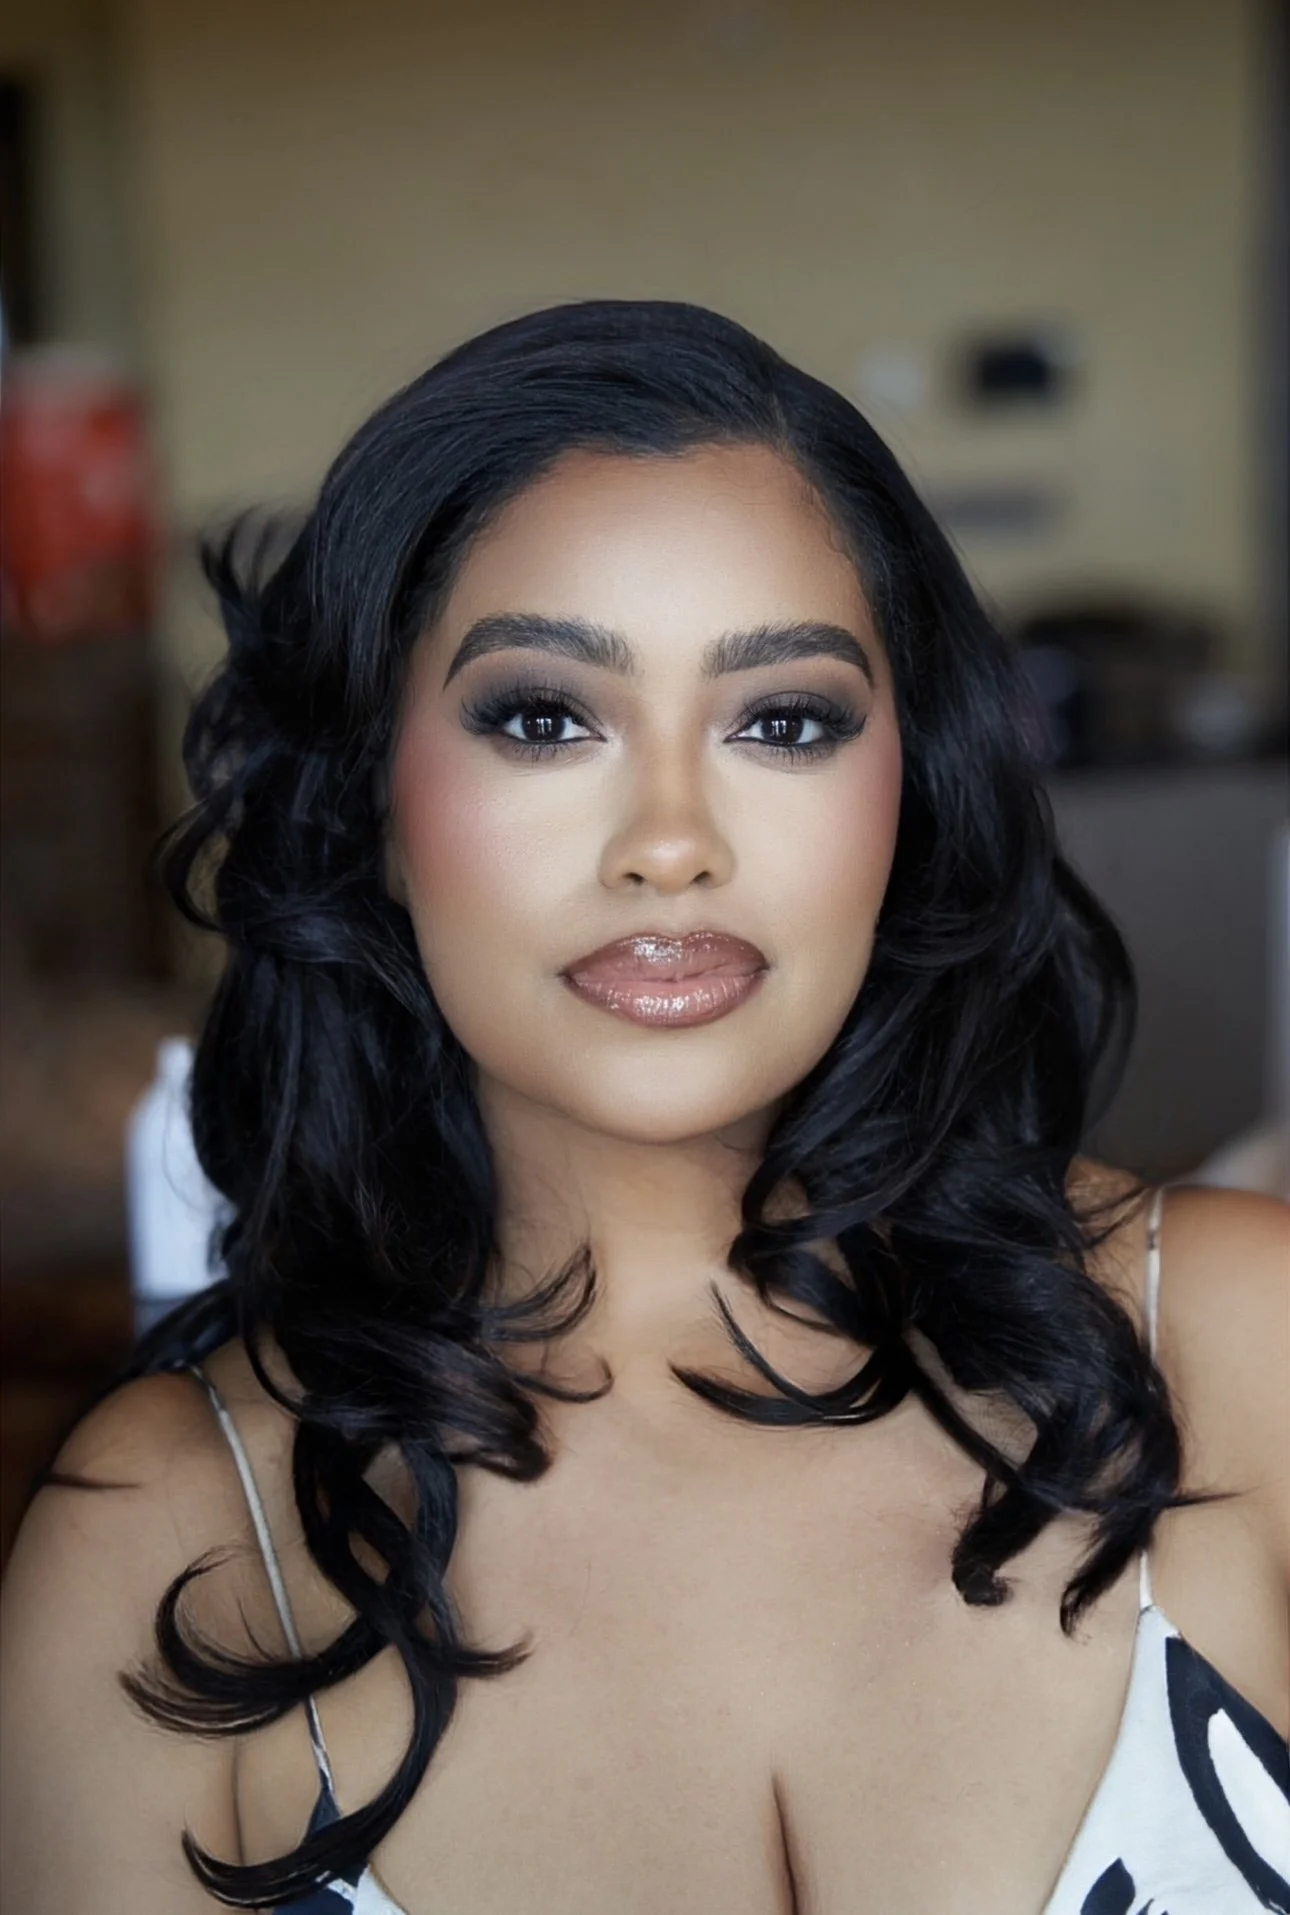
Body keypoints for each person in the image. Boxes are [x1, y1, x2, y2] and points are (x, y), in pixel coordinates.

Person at [1, 301, 1286, 1914]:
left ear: (910, 789)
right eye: (541, 714)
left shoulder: (1241, 1348)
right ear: (374, 803)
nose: (668, 839)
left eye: (784, 719)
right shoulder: (173, 1540)